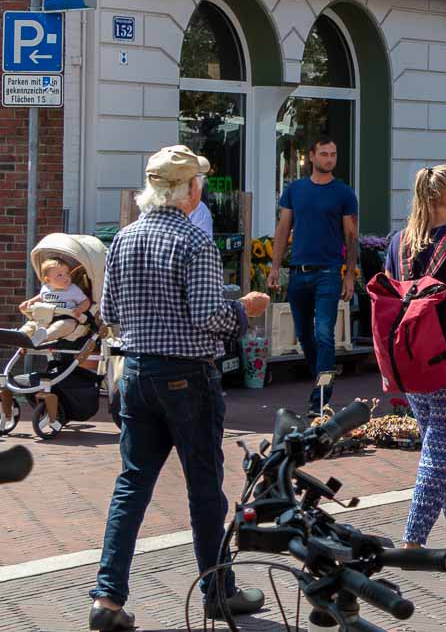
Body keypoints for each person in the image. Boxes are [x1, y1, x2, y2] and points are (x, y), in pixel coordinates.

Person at [92, 145, 273, 629]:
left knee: (132, 485)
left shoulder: (124, 238)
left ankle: (107, 600)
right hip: (187, 376)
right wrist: (244, 310)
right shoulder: (195, 241)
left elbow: (110, 312)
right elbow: (210, 316)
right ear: (190, 189)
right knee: (204, 489)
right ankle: (218, 593)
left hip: (136, 372)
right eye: (200, 185)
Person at [386, 166, 446, 554]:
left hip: (410, 361)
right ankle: (413, 541)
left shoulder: (398, 243)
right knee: (438, 451)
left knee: (438, 448)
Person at [268, 137, 359, 412]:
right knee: (304, 336)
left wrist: (350, 275)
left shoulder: (343, 193)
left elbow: (351, 236)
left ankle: (321, 396)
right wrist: (275, 267)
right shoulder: (295, 190)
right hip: (299, 272)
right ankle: (321, 377)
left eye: (333, 154)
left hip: (328, 273)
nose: (329, 159)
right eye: (324, 154)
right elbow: (283, 229)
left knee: (324, 335)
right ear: (311, 156)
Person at [18, 258, 92, 346]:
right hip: (44, 318)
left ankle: (44, 337)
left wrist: (80, 308)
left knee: (63, 326)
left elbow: (86, 301)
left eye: (67, 273)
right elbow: (41, 297)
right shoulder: (46, 288)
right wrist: (30, 302)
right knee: (31, 324)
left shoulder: (73, 289)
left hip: (64, 317)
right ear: (48, 280)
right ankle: (21, 335)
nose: (66, 277)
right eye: (60, 275)